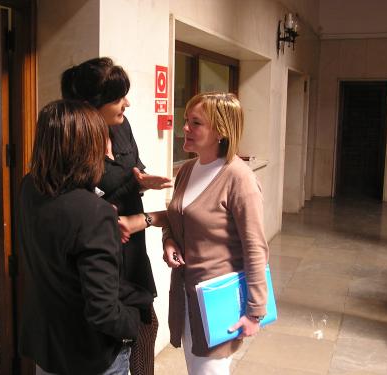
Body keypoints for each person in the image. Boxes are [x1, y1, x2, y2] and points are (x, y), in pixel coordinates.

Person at [17, 99, 153, 375]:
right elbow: (103, 310)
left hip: (47, 346)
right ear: (86, 147)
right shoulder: (92, 212)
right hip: (90, 355)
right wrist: (132, 326)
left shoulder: (29, 186)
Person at [60, 57, 171, 375]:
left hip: (132, 251)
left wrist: (142, 180)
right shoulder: (73, 144)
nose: (127, 103)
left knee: (146, 328)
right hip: (101, 253)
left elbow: (133, 168)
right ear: (91, 105)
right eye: (118, 97)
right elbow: (75, 202)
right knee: (115, 335)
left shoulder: (122, 129)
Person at [162, 92, 269, 375]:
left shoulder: (239, 178)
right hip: (186, 297)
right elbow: (177, 219)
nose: (184, 128)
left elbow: (255, 248)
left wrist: (255, 311)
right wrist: (168, 239)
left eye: (195, 123)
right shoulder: (186, 170)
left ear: (221, 131)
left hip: (218, 304)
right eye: (186, 120)